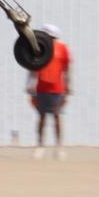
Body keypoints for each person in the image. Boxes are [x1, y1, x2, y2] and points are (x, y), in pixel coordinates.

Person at [27, 27, 73, 159]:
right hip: (41, 88)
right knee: (41, 118)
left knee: (57, 117)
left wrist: (68, 88)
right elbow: (32, 68)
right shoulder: (39, 48)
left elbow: (67, 70)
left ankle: (59, 147)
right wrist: (30, 89)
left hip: (57, 89)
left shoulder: (62, 49)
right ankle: (40, 146)